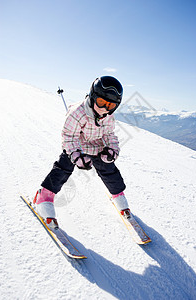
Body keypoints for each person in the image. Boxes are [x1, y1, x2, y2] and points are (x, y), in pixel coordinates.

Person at [34, 76, 130, 229]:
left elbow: (109, 134)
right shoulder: (77, 112)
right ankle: (44, 196)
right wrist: (76, 156)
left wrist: (112, 150)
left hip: (96, 144)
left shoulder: (108, 116)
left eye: (110, 105)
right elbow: (69, 136)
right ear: (93, 96)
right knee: (64, 167)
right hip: (77, 145)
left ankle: (118, 195)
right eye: (101, 102)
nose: (104, 108)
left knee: (109, 169)